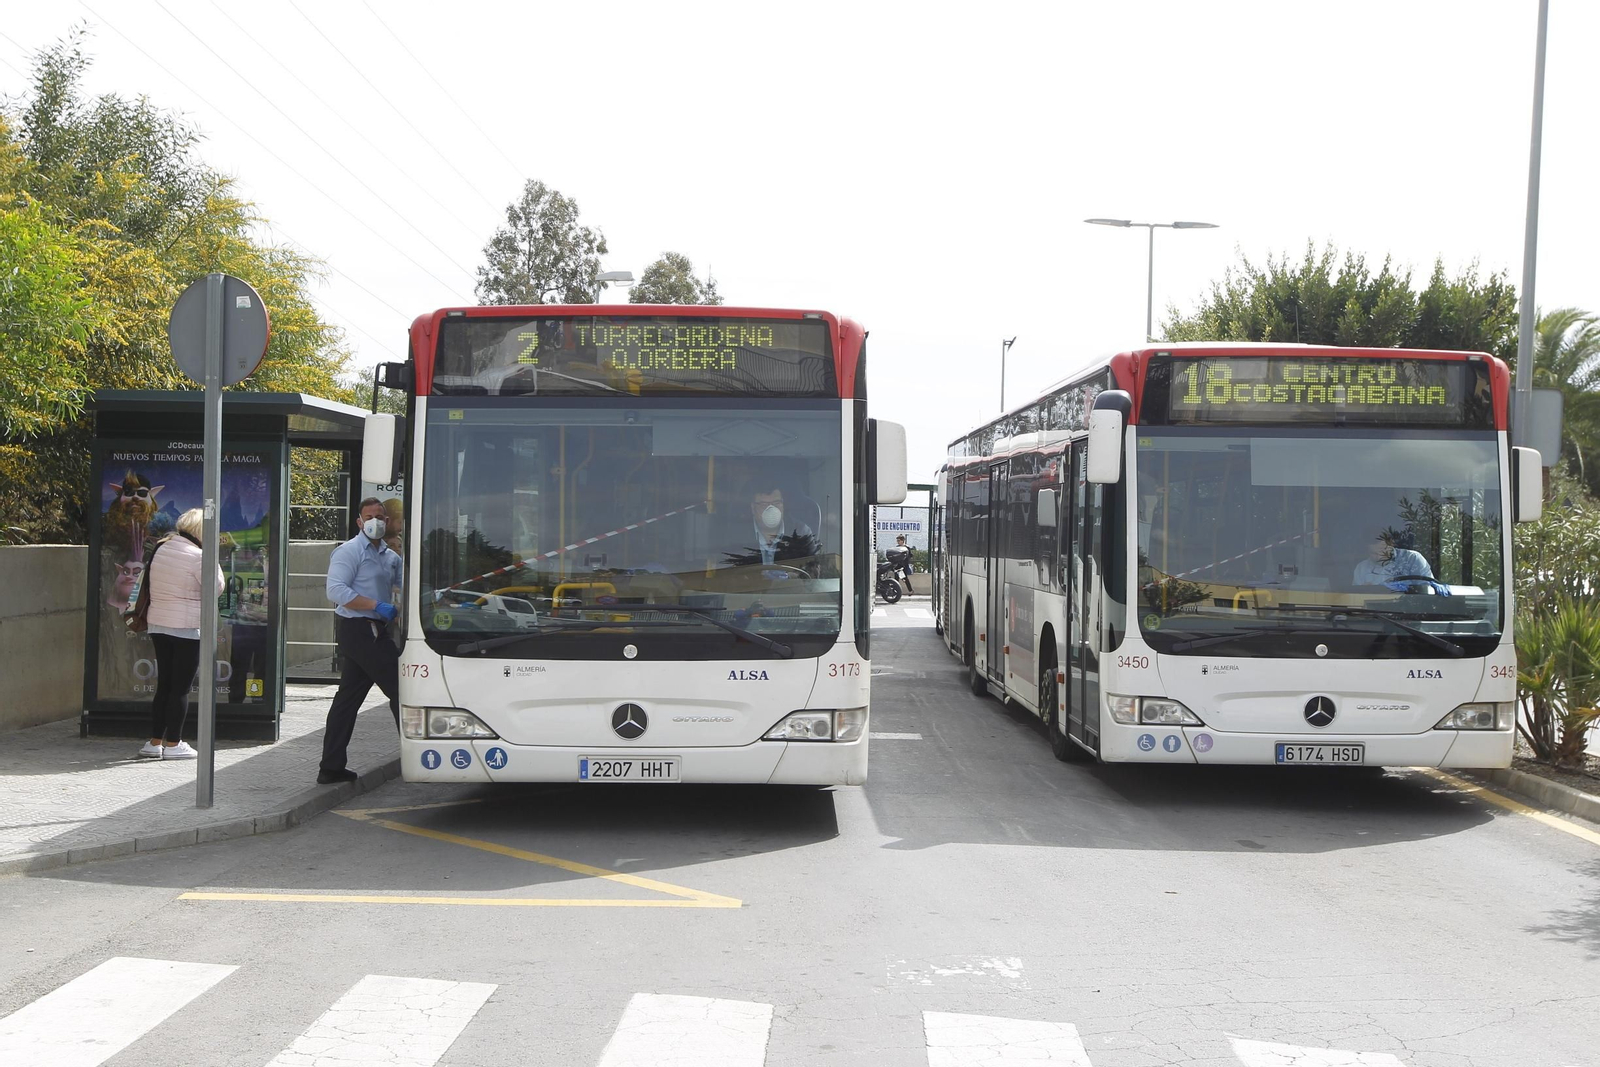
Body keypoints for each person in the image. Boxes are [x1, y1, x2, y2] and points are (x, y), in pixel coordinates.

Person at [320, 497, 404, 785]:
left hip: (375, 629)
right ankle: (415, 753)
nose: (375, 522)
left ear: (388, 521)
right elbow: (335, 590)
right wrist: (375, 605)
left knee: (347, 700)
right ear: (359, 521)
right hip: (359, 628)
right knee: (403, 691)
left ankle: (330, 767)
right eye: (369, 517)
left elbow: (402, 590)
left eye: (380, 516)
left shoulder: (391, 558)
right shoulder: (349, 551)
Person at [139, 508, 225, 760]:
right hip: (187, 628)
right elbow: (216, 588)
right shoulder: (199, 556)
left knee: (164, 685)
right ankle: (175, 743)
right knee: (181, 688)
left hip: (158, 624)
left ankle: (154, 742)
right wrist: (213, 556)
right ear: (202, 531)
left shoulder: (162, 548)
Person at [746, 477, 816, 564]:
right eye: (763, 504)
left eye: (776, 503)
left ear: (783, 505)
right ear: (753, 508)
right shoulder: (736, 535)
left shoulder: (801, 533)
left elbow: (812, 570)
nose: (771, 509)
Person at [1353, 529, 1434, 587]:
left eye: (1382, 551)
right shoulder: (1362, 568)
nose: (1379, 557)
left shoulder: (1412, 559)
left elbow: (1427, 589)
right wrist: (1364, 591)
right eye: (1373, 553)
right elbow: (1355, 598)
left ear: (1391, 544)